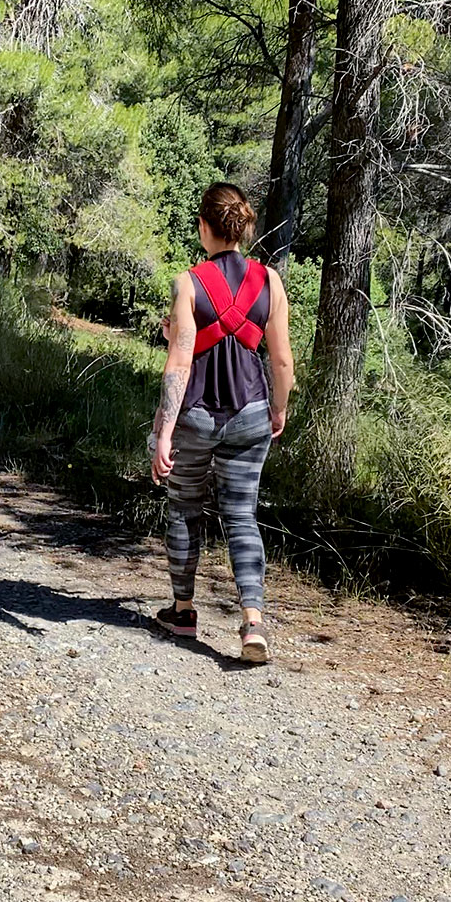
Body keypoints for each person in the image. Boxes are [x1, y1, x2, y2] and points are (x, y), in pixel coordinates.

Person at [148, 182, 295, 663]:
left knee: (185, 508)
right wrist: (278, 407)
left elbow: (179, 362)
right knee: (241, 516)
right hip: (251, 412)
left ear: (203, 227)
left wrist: (164, 432)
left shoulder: (188, 282)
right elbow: (282, 362)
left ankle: (184, 612)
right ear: (242, 227)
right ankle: (253, 622)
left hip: (195, 417)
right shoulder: (269, 281)